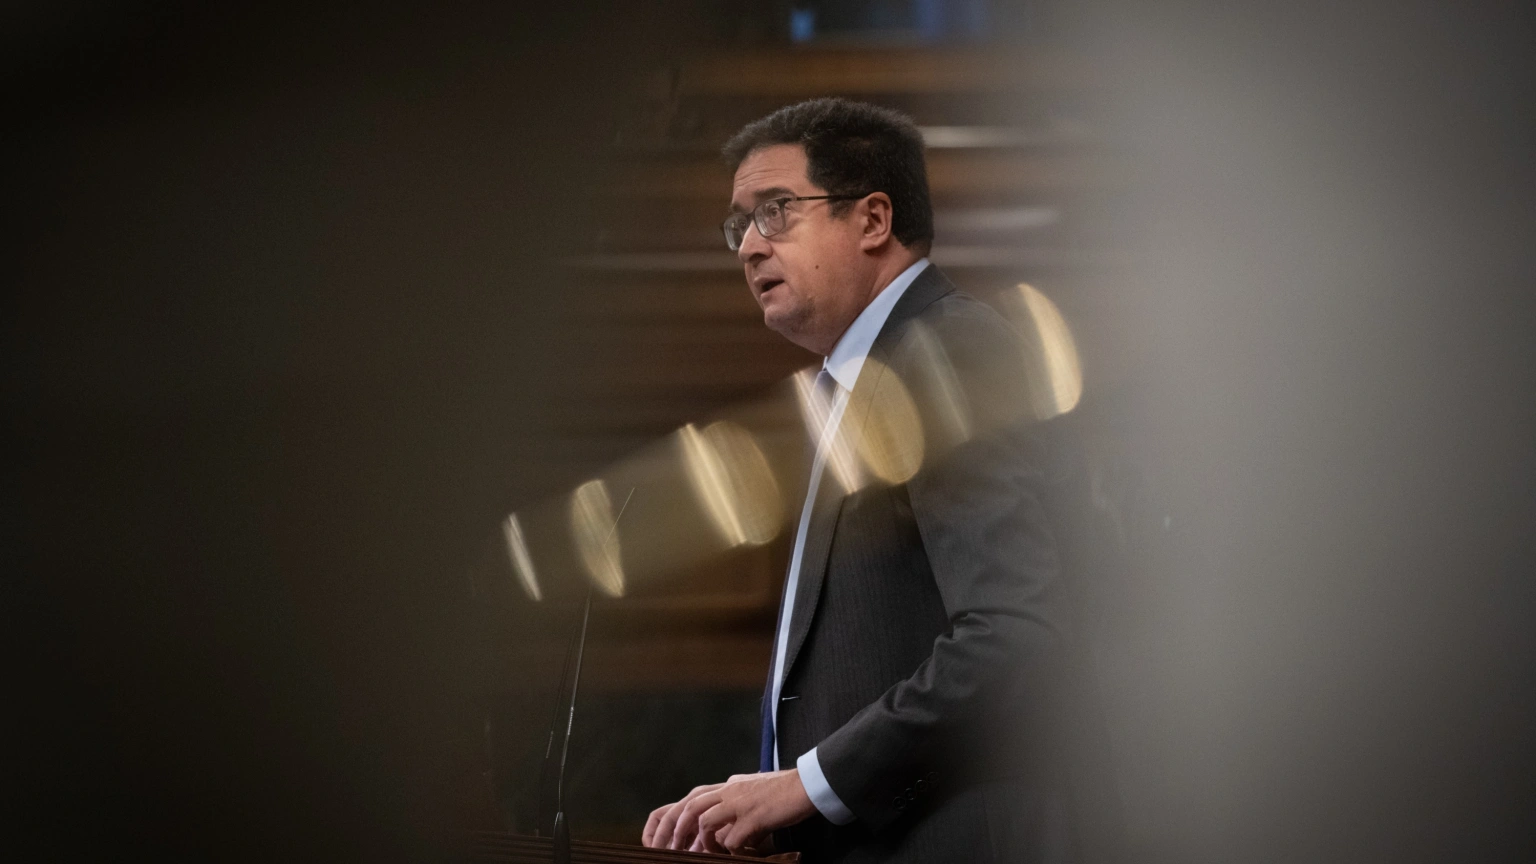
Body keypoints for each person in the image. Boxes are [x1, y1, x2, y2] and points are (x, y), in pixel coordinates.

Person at [641, 98, 1072, 863]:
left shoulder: (947, 351)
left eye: (775, 211)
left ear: (873, 219)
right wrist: (780, 801)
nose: (749, 246)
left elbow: (1014, 631)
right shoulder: (854, 383)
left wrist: (810, 785)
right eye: (739, 225)